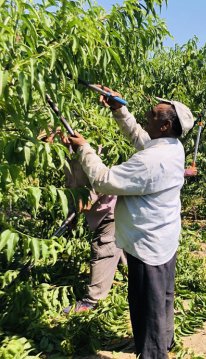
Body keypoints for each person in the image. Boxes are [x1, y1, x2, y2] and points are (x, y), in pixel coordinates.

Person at [68, 88, 194, 358]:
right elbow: (141, 137)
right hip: (163, 238)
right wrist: (118, 110)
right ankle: (165, 340)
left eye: (152, 116)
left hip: (145, 244)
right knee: (163, 297)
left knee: (146, 307)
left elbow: (103, 180)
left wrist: (84, 149)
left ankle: (153, 352)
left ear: (165, 125)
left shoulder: (152, 161)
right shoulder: (172, 146)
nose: (146, 117)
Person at [40, 131, 123, 313]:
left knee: (103, 249)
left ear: (59, 135)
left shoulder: (88, 150)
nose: (45, 147)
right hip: (99, 212)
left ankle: (91, 302)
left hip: (111, 208)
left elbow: (105, 177)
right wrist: (73, 213)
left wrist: (90, 199)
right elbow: (74, 188)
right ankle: (131, 276)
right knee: (121, 247)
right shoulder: (65, 158)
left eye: (47, 141)